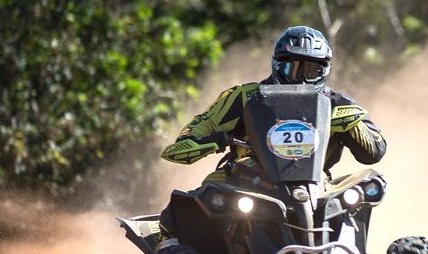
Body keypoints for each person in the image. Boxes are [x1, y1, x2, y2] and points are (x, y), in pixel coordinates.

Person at [158, 25, 386, 239]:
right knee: (189, 207)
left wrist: (350, 123)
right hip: (246, 177)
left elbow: (375, 151)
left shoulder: (338, 103)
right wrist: (199, 141)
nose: (301, 77)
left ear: (324, 69)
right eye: (293, 67)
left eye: (311, 69)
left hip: (315, 184)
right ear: (277, 64)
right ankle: (171, 252)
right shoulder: (245, 96)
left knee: (356, 200)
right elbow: (202, 124)